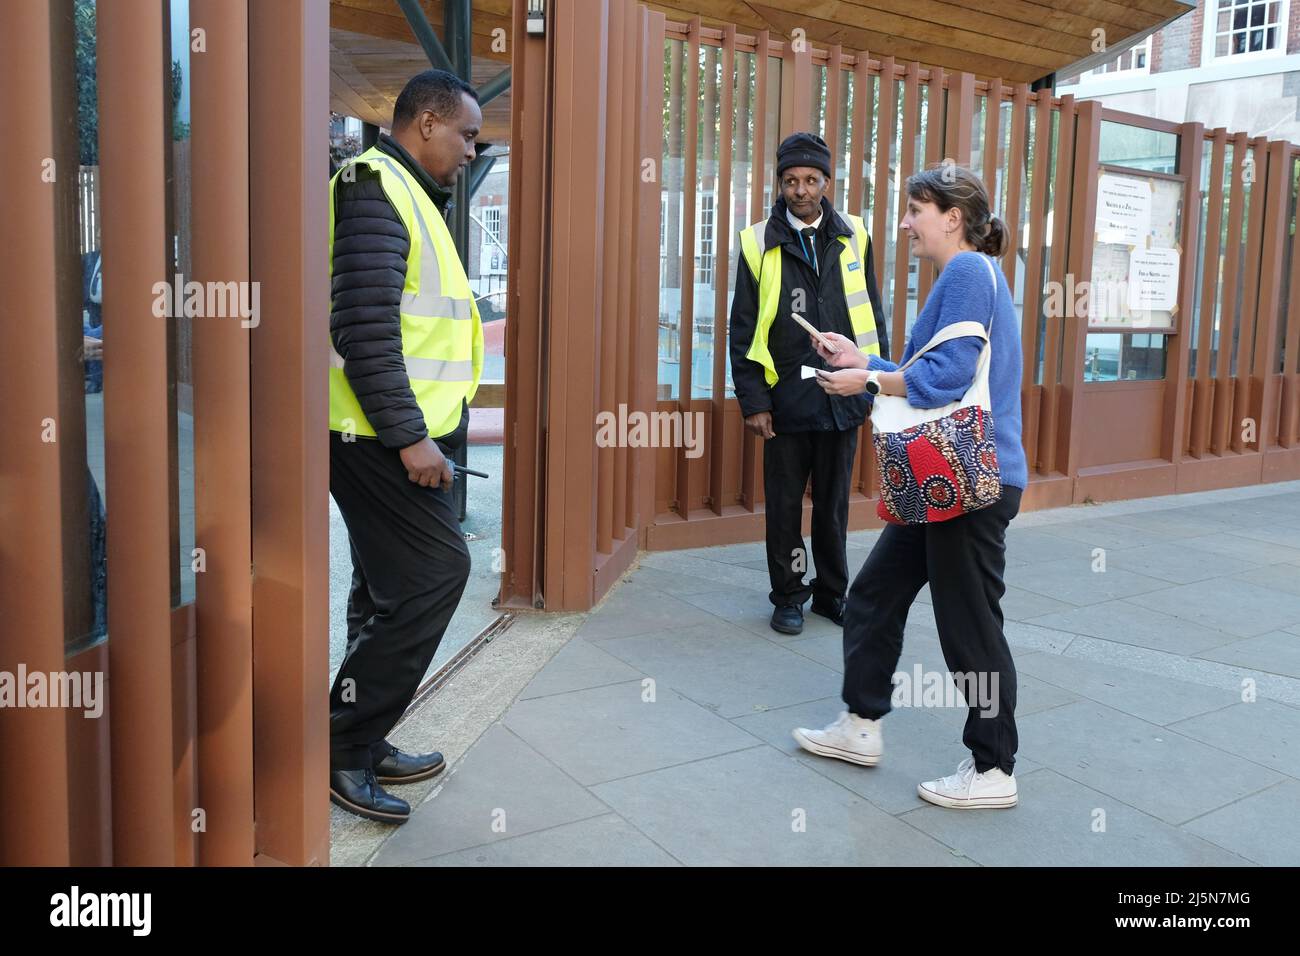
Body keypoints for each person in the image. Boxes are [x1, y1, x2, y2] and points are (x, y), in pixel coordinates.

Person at [793, 164, 1028, 810]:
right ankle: (860, 726)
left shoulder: (967, 272)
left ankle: (994, 768)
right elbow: (928, 372)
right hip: (948, 480)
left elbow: (947, 378)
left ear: (953, 218)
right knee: (873, 594)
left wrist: (866, 383)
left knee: (971, 629)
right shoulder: (968, 277)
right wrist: (861, 360)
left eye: (915, 209)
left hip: (970, 484)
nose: (905, 223)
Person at [327, 69, 484, 824]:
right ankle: (344, 745)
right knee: (438, 574)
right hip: (378, 437)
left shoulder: (409, 193)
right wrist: (413, 438)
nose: (472, 150)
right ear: (426, 122)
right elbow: (363, 330)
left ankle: (364, 729)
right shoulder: (373, 186)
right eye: (467, 134)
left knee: (383, 587)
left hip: (396, 432)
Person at [728, 132, 890, 636]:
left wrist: (874, 381)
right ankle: (790, 596)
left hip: (843, 394)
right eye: (791, 180)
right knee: (783, 507)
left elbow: (871, 314)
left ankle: (830, 595)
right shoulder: (757, 242)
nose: (800, 190)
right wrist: (754, 401)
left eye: (810, 180)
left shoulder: (855, 234)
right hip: (786, 398)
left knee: (834, 506)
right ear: (780, 183)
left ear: (826, 181)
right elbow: (742, 327)